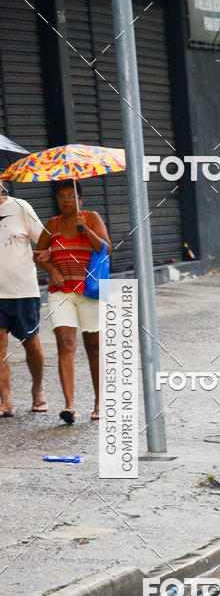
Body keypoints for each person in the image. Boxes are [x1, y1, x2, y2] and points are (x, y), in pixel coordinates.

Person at [36, 180, 111, 424]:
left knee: (94, 347)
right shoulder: (52, 224)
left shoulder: (92, 218)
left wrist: (86, 230)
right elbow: (38, 254)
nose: (66, 200)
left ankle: (100, 403)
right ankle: (69, 405)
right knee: (65, 344)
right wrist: (49, 267)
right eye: (62, 196)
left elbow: (106, 249)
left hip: (90, 291)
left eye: (71, 195)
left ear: (81, 199)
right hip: (61, 292)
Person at [0, 183, 48, 417]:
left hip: (23, 291)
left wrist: (47, 258)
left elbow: (44, 241)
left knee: (31, 342)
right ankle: (6, 401)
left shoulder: (20, 207)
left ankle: (38, 389)